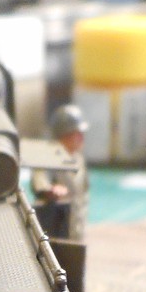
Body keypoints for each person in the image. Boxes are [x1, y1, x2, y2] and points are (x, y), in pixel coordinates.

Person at [31, 104, 89, 242]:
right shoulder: (48, 158)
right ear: (64, 135)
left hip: (76, 230)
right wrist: (50, 189)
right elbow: (39, 181)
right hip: (56, 233)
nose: (81, 137)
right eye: (77, 133)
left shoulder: (78, 159)